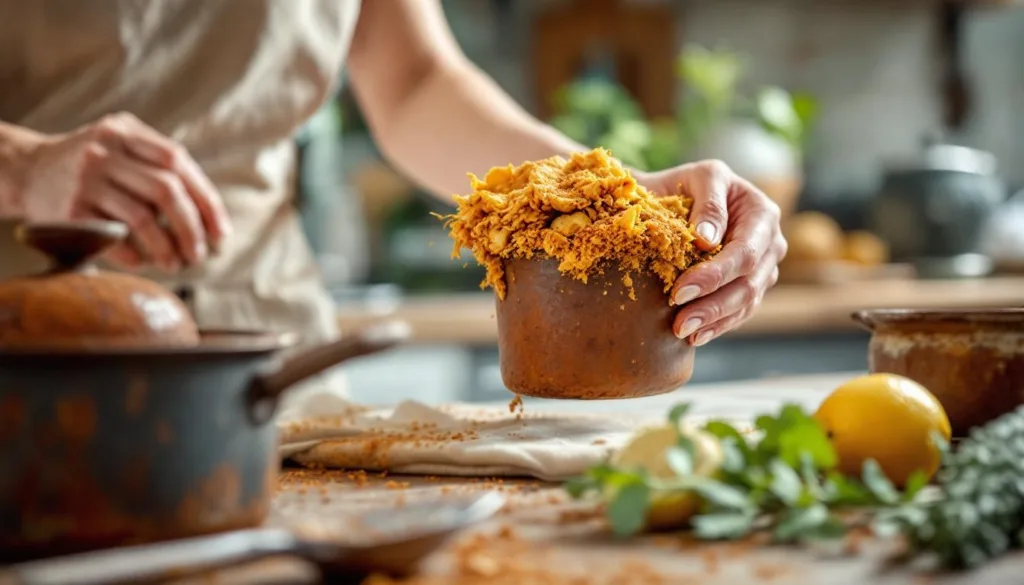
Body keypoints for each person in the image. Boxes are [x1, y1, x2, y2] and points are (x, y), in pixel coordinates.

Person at [0, 0, 786, 402]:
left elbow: (412, 83)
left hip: (265, 348)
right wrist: (21, 163)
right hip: (23, 337)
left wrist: (612, 197)